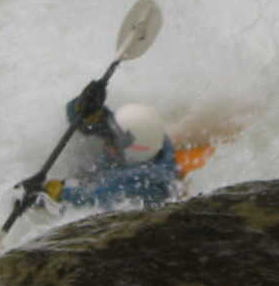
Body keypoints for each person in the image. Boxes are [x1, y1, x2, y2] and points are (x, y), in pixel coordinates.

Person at [39, 82, 179, 210]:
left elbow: (93, 199)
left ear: (133, 152)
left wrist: (61, 194)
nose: (107, 142)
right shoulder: (148, 135)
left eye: (114, 141)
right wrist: (86, 106)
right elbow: (104, 123)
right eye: (112, 135)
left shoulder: (143, 180)